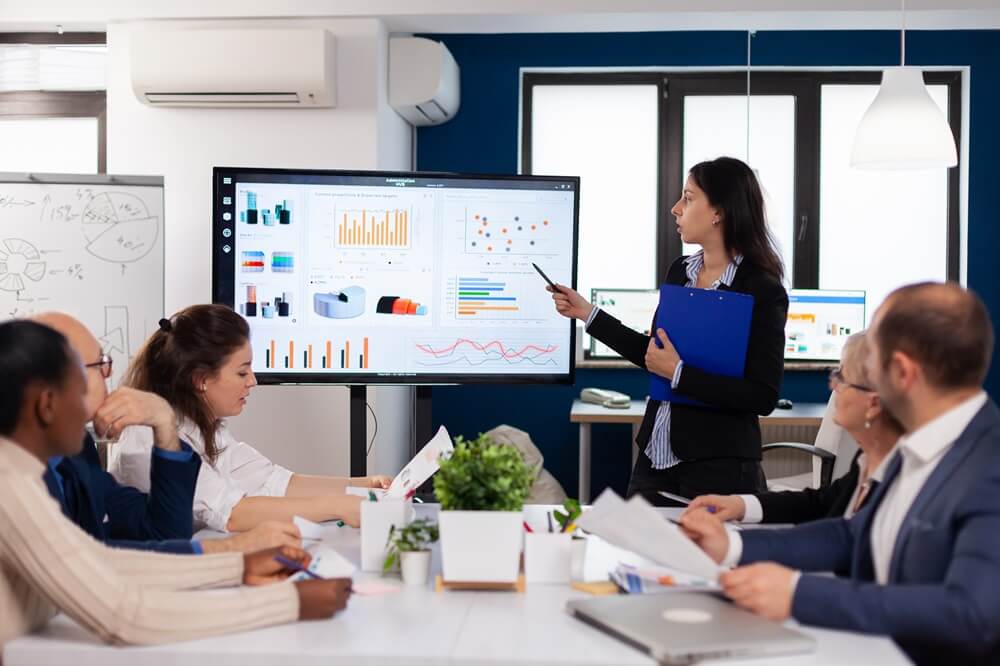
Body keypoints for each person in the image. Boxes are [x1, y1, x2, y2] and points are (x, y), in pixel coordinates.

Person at [680, 282, 1000, 665]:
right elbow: (855, 533)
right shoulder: (921, 444)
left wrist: (799, 594)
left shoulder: (988, 465)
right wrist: (734, 546)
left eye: (875, 359)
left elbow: (970, 615)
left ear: (901, 371)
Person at [0, 319, 352, 652]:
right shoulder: (9, 484)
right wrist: (290, 602)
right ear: (47, 404)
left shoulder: (38, 468)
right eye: (87, 380)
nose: (102, 400)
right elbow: (124, 614)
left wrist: (239, 566)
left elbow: (97, 560)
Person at [549, 156, 788, 504]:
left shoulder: (761, 289)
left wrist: (679, 374)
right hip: (655, 455)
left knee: (704, 560)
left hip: (718, 465)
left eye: (688, 198)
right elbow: (653, 354)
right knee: (636, 554)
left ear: (718, 211)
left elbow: (763, 396)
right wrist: (586, 313)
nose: (676, 209)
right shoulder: (681, 272)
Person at [33, 312, 300, 555]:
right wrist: (231, 551)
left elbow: (165, 531)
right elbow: (80, 558)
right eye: (99, 365)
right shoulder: (17, 471)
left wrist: (164, 424)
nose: (108, 375)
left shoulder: (77, 452)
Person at [110, 304, 391, 532]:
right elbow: (232, 514)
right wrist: (340, 505)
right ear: (202, 379)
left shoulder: (202, 425)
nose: (252, 381)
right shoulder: (150, 437)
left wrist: (365, 484)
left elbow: (274, 482)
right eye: (242, 372)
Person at [685, 332, 903, 525]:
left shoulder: (899, 479)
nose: (833, 386)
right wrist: (740, 505)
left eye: (841, 378)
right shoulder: (866, 459)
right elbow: (820, 503)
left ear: (873, 404)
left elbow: (842, 540)